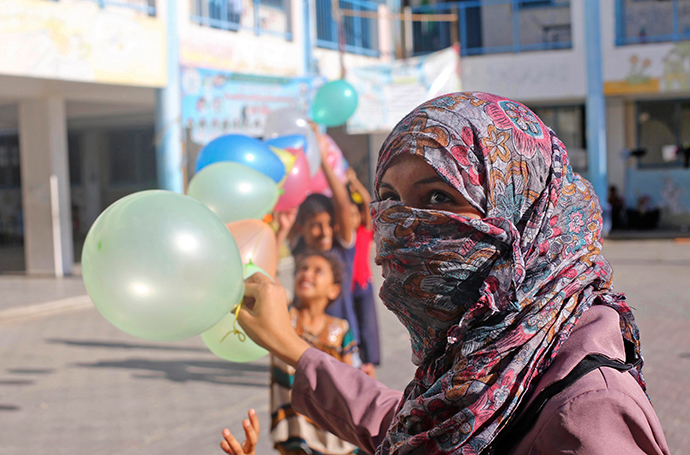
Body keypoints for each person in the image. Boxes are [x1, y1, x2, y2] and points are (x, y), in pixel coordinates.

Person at [228, 92, 670, 454]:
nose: (405, 227)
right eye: (389, 199)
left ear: (520, 211)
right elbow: (414, 427)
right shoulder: (488, 344)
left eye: (439, 197)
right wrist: (291, 345)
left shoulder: (584, 411)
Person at [270, 251, 359, 455]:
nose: (307, 273)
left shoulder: (341, 329)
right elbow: (268, 283)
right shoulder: (283, 319)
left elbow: (351, 381)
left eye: (318, 271)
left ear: (333, 290)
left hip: (333, 434)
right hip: (294, 433)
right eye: (302, 268)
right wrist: (279, 233)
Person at [346, 167, 381, 377]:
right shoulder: (342, 238)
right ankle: (356, 362)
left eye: (354, 213)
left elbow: (368, 203)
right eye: (347, 214)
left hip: (363, 285)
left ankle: (369, 366)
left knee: (367, 327)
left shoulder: (363, 232)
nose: (352, 217)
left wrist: (354, 181)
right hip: (347, 289)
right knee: (353, 329)